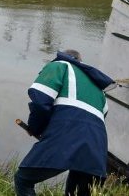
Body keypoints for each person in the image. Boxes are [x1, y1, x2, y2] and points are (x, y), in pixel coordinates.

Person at [14, 50, 114, 196]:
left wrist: (35, 128)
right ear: (80, 62)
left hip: (66, 136)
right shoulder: (99, 90)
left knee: (23, 180)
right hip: (98, 152)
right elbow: (95, 120)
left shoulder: (60, 66)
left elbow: (41, 101)